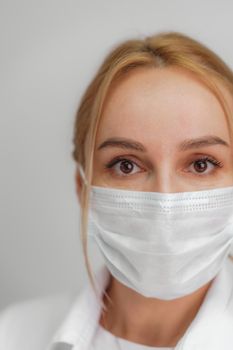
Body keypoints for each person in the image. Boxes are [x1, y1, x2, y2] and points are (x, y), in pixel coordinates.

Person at [0, 31, 233, 350]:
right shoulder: (13, 333)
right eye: (126, 165)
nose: (164, 199)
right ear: (84, 189)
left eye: (201, 164)